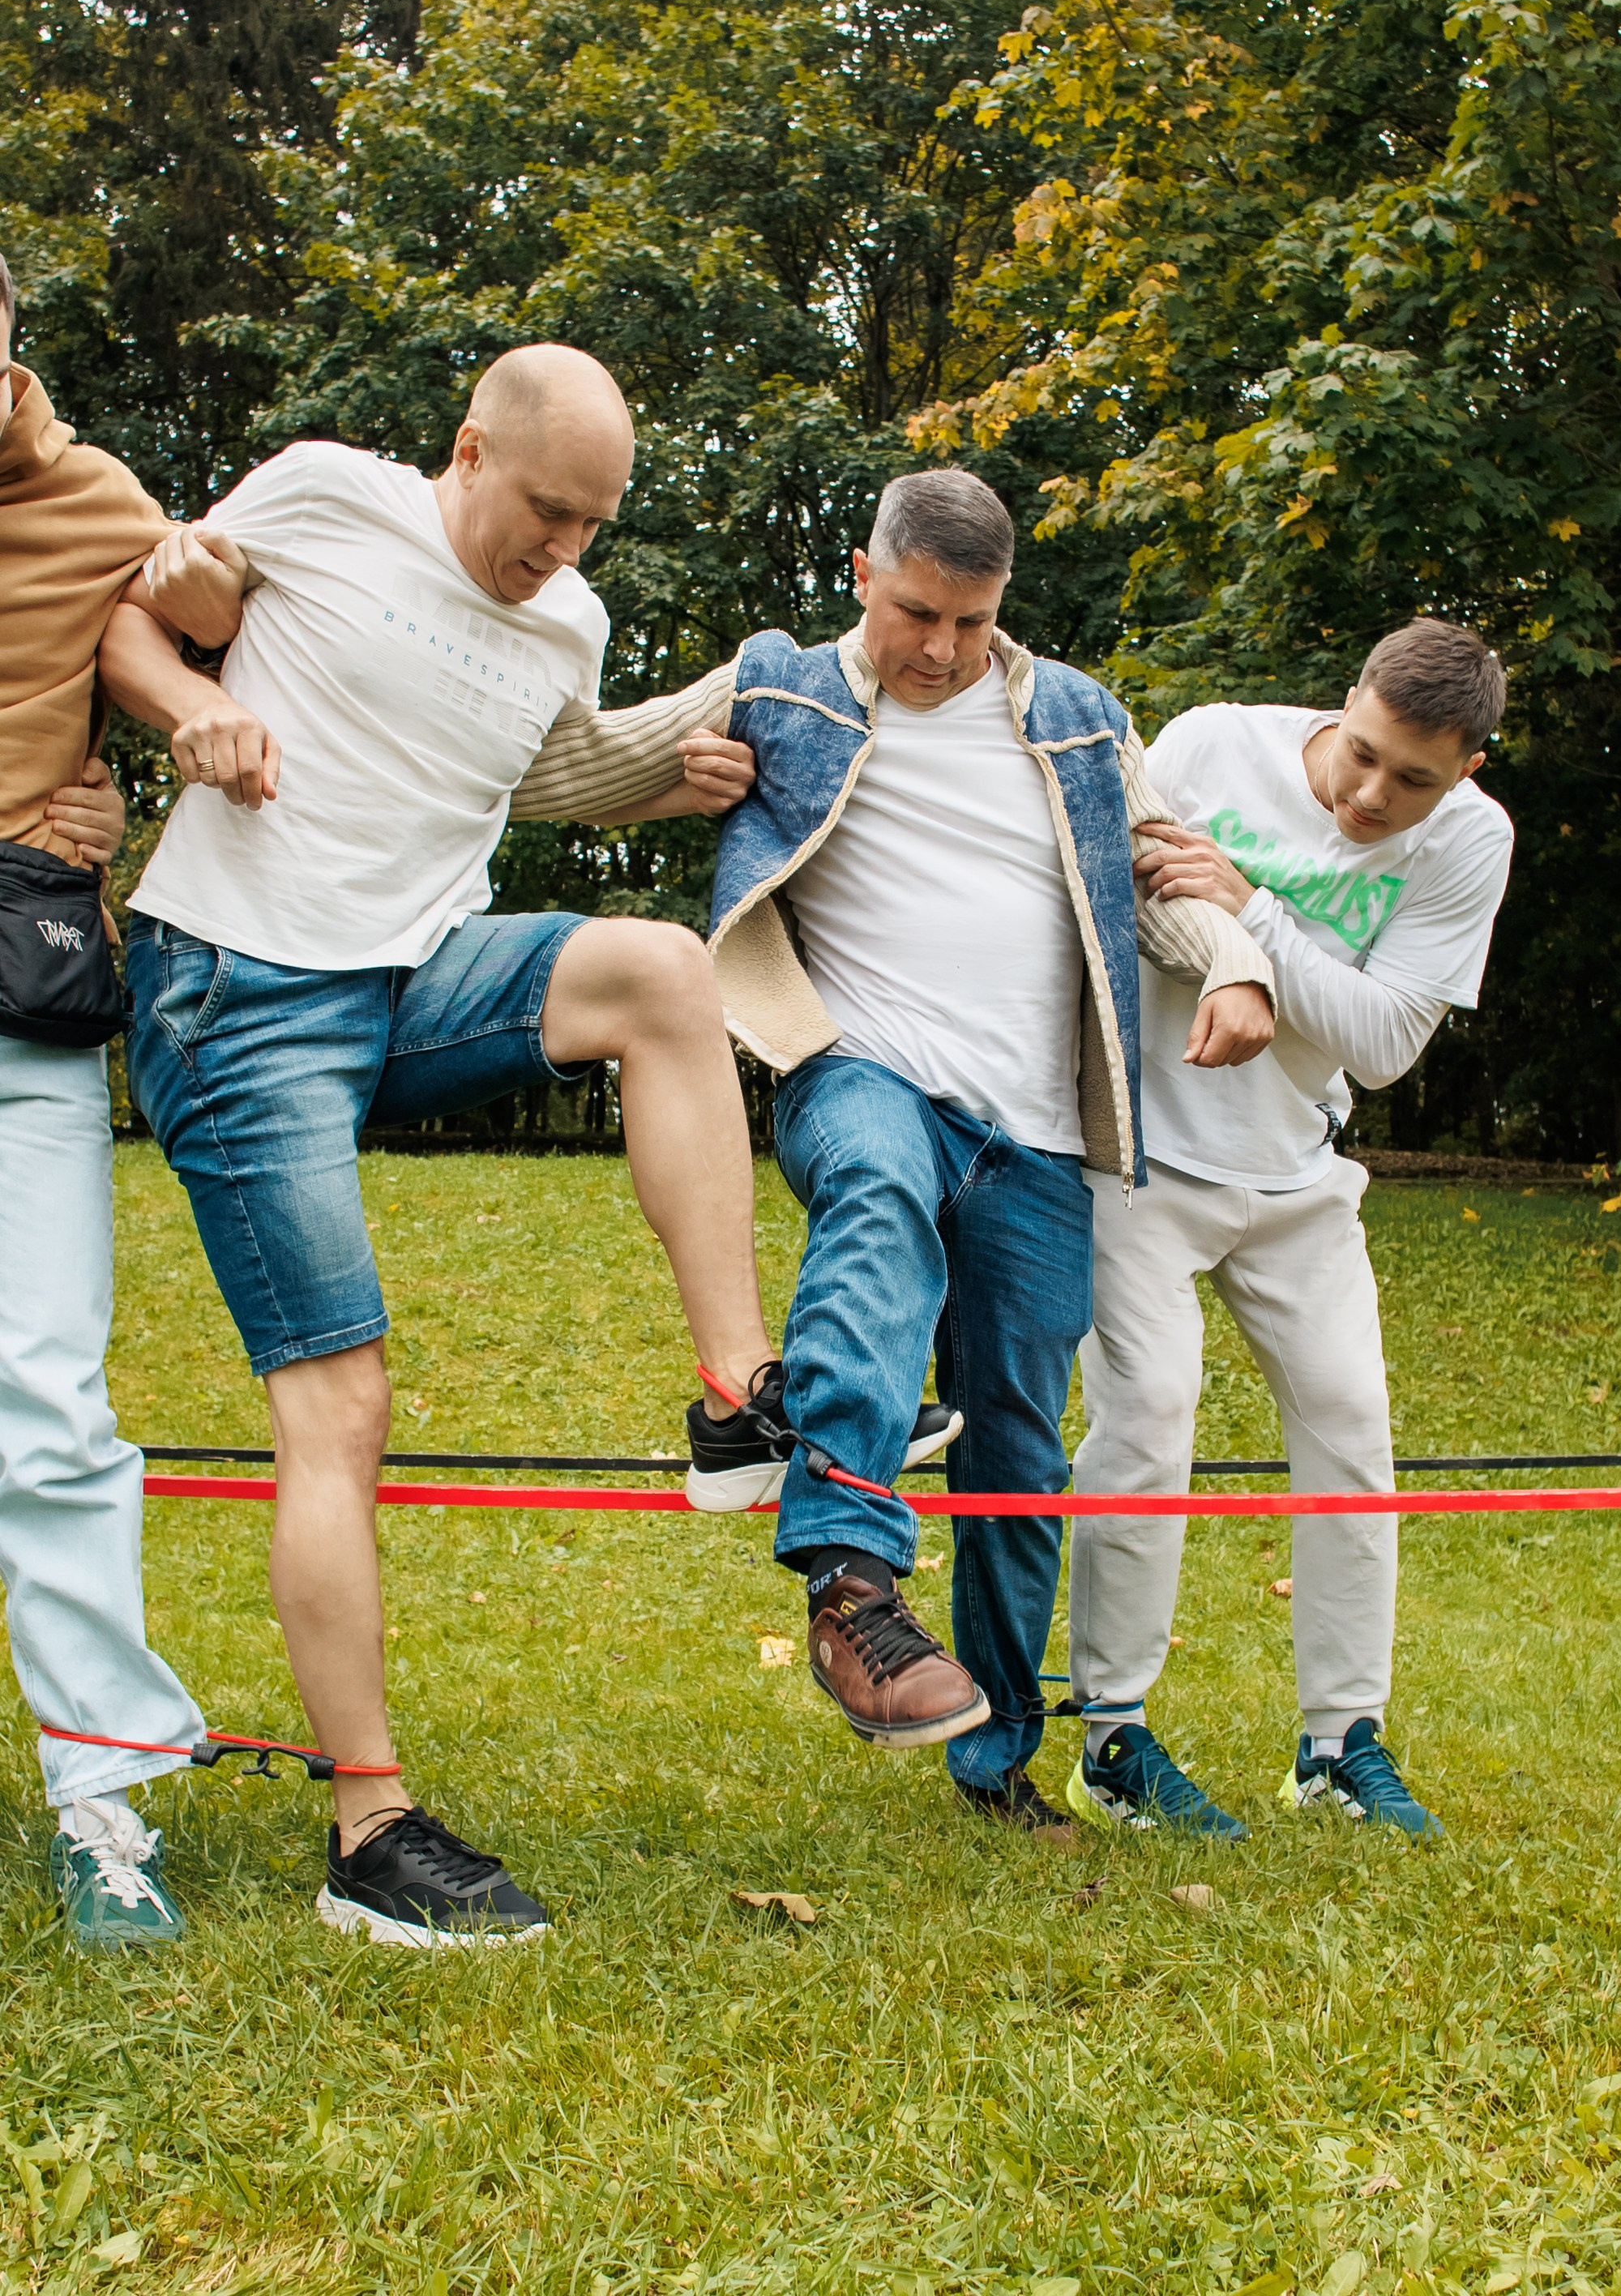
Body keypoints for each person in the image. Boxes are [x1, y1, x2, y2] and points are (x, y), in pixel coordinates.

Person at [96, 343, 779, 1947]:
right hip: (237, 988)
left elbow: (536, 766)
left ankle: (739, 1403)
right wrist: (196, 703)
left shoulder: (571, 619)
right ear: (468, 450)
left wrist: (674, 778)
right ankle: (369, 1829)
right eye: (544, 510)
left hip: (408, 978)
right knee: (339, 1399)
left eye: (591, 525)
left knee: (661, 974)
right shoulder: (329, 493)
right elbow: (142, 611)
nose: (562, 549)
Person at [591, 466, 1278, 1838]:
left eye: (971, 623)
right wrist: (670, 783)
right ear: (863, 574)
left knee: (1018, 1448)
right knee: (877, 1183)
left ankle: (997, 1750)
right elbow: (561, 766)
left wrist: (1238, 963)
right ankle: (850, 1581)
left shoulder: (1081, 720)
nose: (940, 650)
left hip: (1031, 1139)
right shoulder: (778, 685)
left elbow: (1161, 882)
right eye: (916, 613)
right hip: (858, 1066)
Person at [1065, 620, 1513, 1841]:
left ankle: (1337, 1744)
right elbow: (1124, 900)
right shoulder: (1213, 745)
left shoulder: (1472, 843)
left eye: (1412, 780)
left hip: (1299, 1169)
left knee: (1353, 1435)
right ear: (1349, 698)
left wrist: (1253, 914)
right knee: (1148, 1421)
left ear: (1467, 769)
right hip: (1144, 1156)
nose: (1372, 796)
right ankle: (1110, 1740)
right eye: (1361, 754)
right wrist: (1229, 936)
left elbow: (1378, 1042)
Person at [0, 251, 246, 1948]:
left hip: (17, 1009)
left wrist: (204, 582)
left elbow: (216, 628)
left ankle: (101, 1795)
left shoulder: (91, 502)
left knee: (50, 1395)